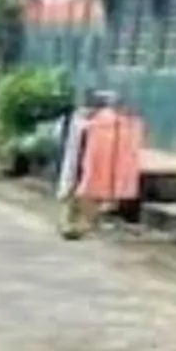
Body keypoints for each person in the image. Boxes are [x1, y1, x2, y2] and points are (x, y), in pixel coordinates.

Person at [58, 88, 142, 239]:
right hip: (89, 163)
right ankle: (79, 222)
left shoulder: (98, 121)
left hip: (89, 165)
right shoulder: (96, 122)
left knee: (82, 187)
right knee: (83, 188)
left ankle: (79, 222)